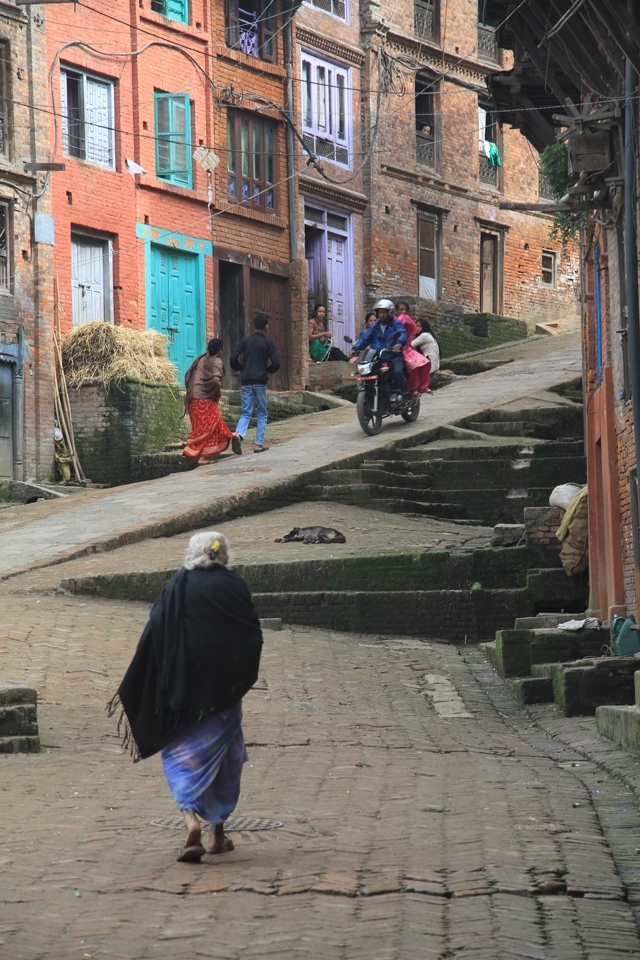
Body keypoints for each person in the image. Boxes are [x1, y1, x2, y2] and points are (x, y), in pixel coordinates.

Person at [108, 531, 263, 863]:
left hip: (182, 696)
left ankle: (191, 820)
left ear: (192, 553)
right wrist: (234, 681)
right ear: (224, 554)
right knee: (226, 758)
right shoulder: (235, 587)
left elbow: (155, 633)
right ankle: (216, 835)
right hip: (223, 696)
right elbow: (252, 637)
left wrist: (147, 682)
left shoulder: (175, 589)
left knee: (181, 759)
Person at [183, 338, 242, 464]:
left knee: (210, 425)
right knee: (209, 426)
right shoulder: (217, 361)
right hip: (204, 399)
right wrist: (216, 393)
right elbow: (216, 381)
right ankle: (197, 452)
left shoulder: (200, 359)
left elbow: (188, 375)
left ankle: (204, 455)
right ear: (220, 350)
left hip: (192, 399)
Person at [230, 313, 280, 453]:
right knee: (262, 412)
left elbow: (233, 358)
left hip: (246, 381)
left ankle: (238, 435)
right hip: (260, 381)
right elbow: (276, 363)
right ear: (266, 326)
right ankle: (258, 444)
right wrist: (267, 370)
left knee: (246, 412)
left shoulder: (245, 341)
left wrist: (241, 368)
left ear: (254, 325)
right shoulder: (268, 343)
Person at [349, 298, 409, 396]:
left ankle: (405, 393)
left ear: (389, 312)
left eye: (384, 312)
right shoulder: (374, 326)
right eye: (380, 312)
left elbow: (402, 333)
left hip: (393, 354)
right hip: (379, 356)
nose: (382, 315)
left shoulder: (396, 323)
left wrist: (399, 342)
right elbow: (365, 338)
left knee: (398, 371)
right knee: (369, 372)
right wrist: (355, 348)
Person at [395, 303, 431, 396]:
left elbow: (411, 332)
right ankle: (413, 388)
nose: (404, 312)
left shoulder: (405, 321)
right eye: (401, 310)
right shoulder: (393, 322)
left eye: (405, 310)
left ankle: (422, 387)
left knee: (424, 362)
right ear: (396, 311)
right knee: (413, 365)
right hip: (397, 350)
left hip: (407, 349)